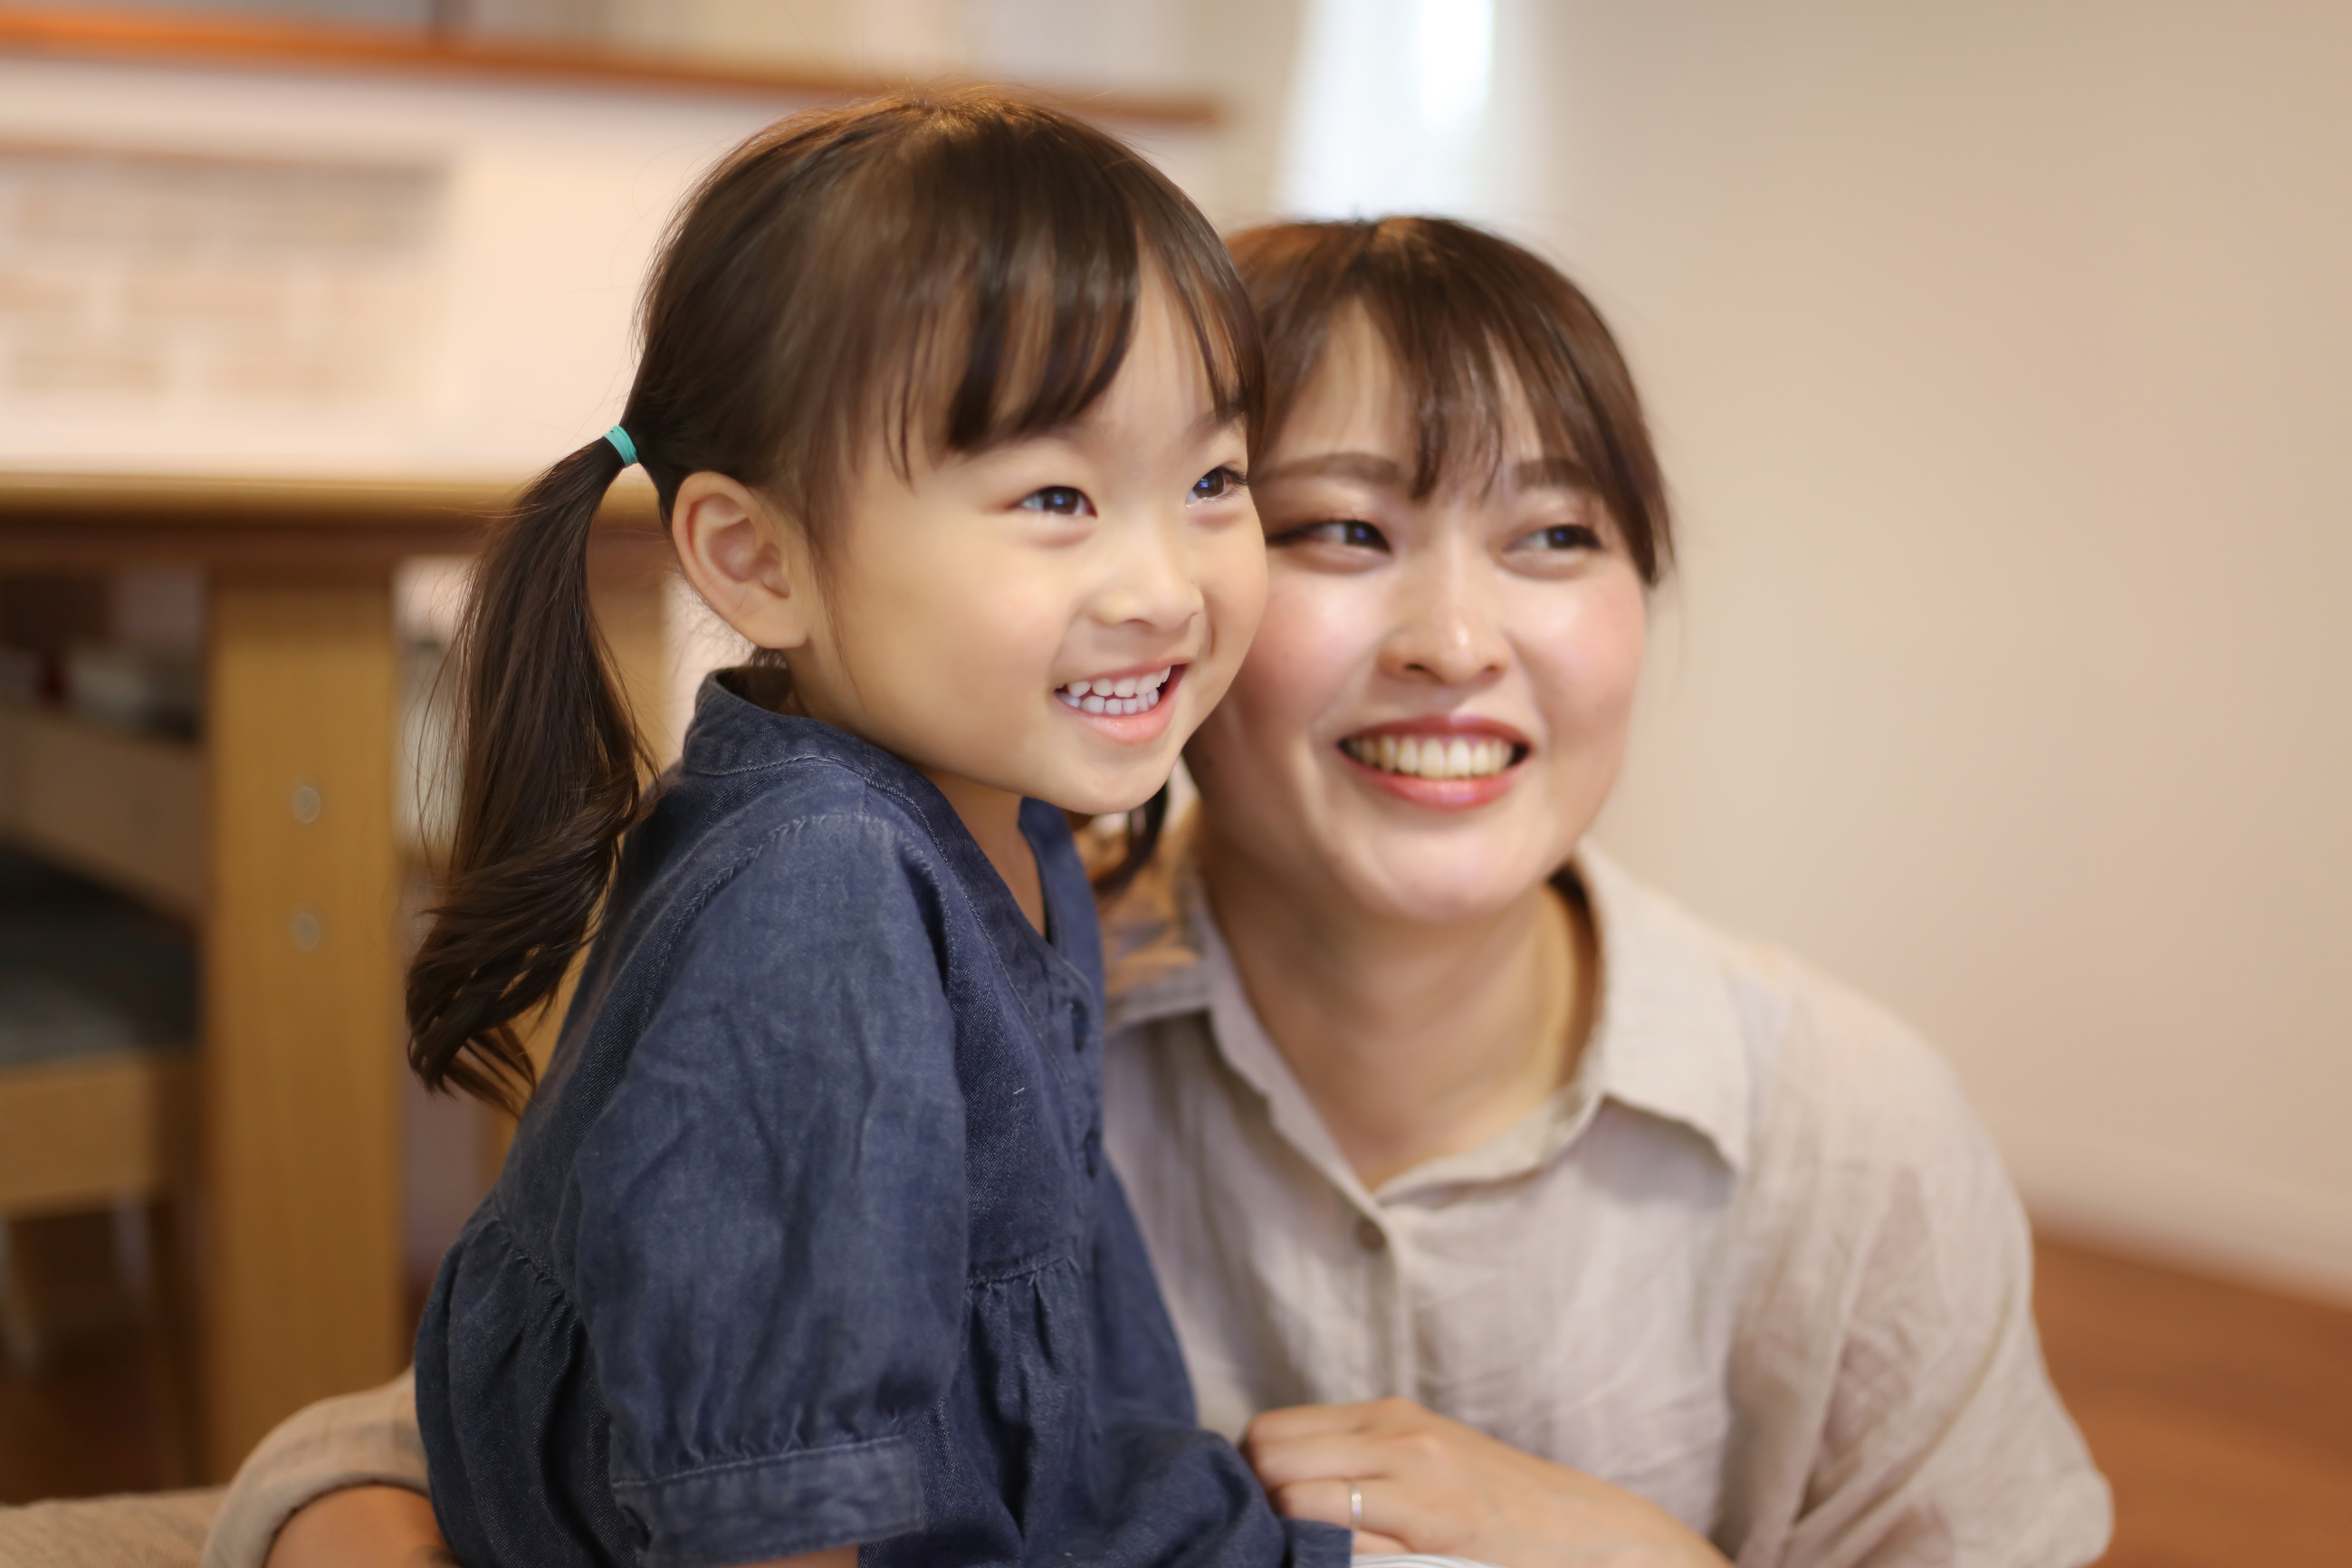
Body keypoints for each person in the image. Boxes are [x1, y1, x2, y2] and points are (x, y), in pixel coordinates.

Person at [209, 218, 2110, 1568]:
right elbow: (475, 1425)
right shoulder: (927, 953)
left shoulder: (1851, 1136)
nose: (1458, 639)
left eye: (1555, 536)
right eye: (1337, 529)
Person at [382, 89, 1360, 1568]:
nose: (1166, 585)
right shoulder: (822, 890)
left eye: (1213, 481)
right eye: (1054, 495)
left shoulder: (1005, 815)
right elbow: (774, 1502)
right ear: (756, 560)